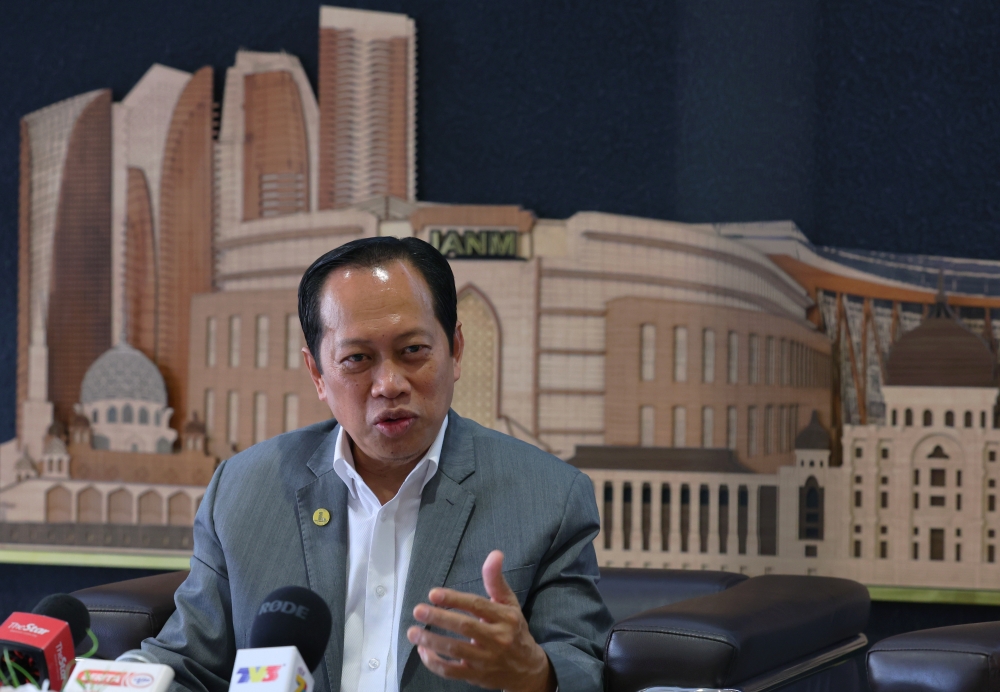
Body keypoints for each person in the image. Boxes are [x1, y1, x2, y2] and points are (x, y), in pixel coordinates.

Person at [139, 236, 612, 692]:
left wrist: (533, 674)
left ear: (456, 351)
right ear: (317, 374)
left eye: (413, 352)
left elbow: (582, 666)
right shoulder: (245, 489)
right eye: (358, 358)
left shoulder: (549, 496)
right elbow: (188, 663)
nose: (389, 384)